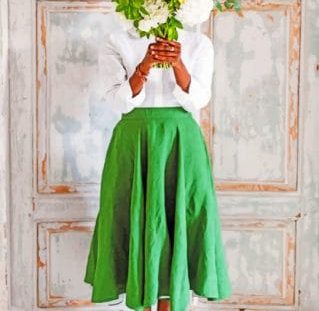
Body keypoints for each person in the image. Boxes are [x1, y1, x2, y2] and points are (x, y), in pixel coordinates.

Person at [83, 24, 232, 311]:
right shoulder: (116, 40)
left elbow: (199, 98)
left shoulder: (198, 43)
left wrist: (177, 63)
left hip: (181, 142)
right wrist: (145, 65)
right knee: (131, 216)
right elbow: (118, 100)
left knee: (182, 218)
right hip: (133, 141)